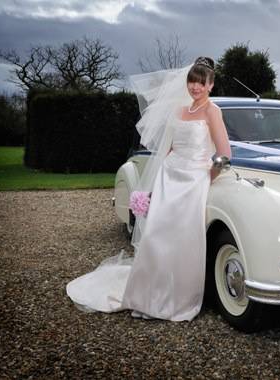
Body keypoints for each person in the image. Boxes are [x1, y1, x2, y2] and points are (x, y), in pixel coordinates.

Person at [66, 57, 231, 321]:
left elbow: (224, 153)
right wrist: (154, 181)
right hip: (169, 175)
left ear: (211, 85)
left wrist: (207, 178)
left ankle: (177, 298)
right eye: (192, 81)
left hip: (194, 180)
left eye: (201, 82)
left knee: (184, 238)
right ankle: (146, 295)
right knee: (157, 235)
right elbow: (169, 147)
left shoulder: (212, 111)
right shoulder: (179, 110)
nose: (195, 86)